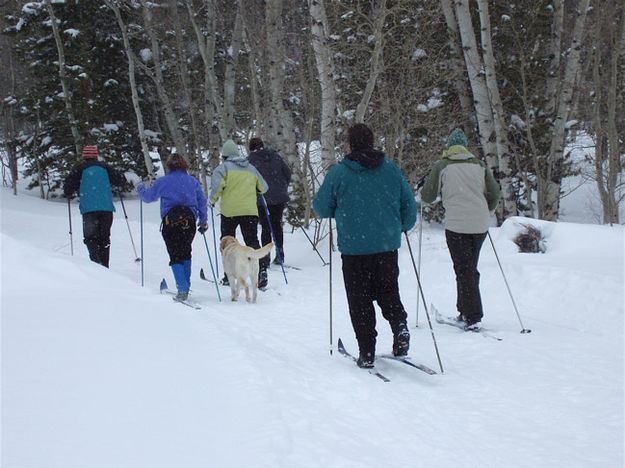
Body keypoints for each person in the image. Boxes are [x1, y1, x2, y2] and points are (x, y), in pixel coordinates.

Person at [313, 123, 417, 369]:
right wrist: (403, 225)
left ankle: (367, 351)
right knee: (388, 291)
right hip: (386, 245)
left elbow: (321, 207)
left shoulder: (340, 173)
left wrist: (337, 207)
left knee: (359, 300)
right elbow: (408, 203)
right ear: (372, 142)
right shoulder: (389, 169)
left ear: (350, 144)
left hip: (354, 249)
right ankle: (399, 326)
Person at [421, 128, 501, 331]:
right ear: (465, 146)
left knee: (464, 269)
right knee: (468, 268)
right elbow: (494, 192)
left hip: (457, 225)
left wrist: (425, 191)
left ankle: (473, 316)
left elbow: (428, 196)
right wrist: (486, 209)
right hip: (480, 224)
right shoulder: (479, 164)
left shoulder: (442, 165)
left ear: (449, 146)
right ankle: (465, 311)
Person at [136, 154, 208, 302]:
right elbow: (202, 201)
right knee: (186, 252)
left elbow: (148, 197)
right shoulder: (192, 182)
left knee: (175, 254)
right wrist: (203, 220)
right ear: (184, 165)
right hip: (189, 222)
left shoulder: (163, 182)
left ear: (169, 165)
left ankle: (182, 288)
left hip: (171, 222)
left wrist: (140, 188)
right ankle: (185, 285)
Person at [210, 139, 269, 288]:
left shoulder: (222, 169)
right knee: (252, 242)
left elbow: (217, 188)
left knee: (227, 244)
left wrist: (211, 200)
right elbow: (264, 188)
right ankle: (260, 271)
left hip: (229, 211)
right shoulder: (251, 168)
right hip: (249, 211)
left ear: (225, 156)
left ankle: (227, 275)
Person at [63, 144, 126, 268]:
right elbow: (120, 180)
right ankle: (105, 265)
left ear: (84, 156)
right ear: (96, 156)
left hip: (89, 209)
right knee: (104, 238)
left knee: (90, 238)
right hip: (106, 208)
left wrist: (69, 191)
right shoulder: (105, 168)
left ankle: (96, 264)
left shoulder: (79, 168)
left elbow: (68, 187)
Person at [248, 137, 291, 268]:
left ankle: (265, 257)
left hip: (262, 198)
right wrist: (282, 186)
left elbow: (248, 180)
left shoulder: (250, 161)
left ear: (251, 148)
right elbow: (287, 173)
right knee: (277, 224)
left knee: (266, 227)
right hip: (279, 196)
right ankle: (280, 252)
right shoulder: (275, 156)